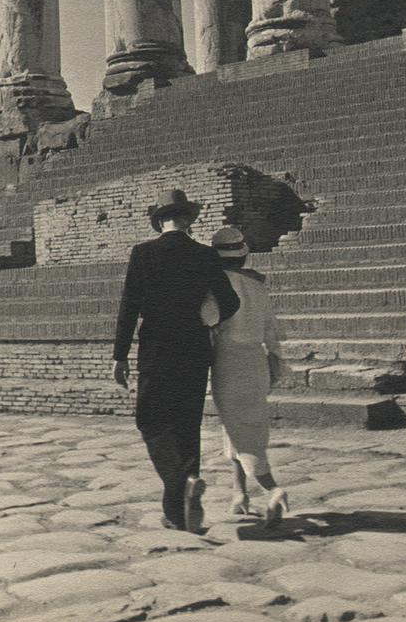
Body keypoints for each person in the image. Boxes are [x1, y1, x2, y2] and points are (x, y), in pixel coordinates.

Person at [112, 188, 240, 532]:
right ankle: (180, 513)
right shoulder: (205, 255)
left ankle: (179, 482)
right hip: (195, 349)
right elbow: (229, 303)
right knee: (187, 425)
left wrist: (120, 355)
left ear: (160, 221)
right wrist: (205, 317)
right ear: (187, 220)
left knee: (151, 421)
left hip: (157, 348)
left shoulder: (143, 254)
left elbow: (129, 307)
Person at [203, 225, 288, 526]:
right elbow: (272, 331)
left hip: (229, 362)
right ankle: (240, 494)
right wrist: (276, 362)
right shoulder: (258, 286)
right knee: (239, 426)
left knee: (242, 431)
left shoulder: (216, 286)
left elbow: (208, 319)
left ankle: (272, 490)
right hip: (256, 360)